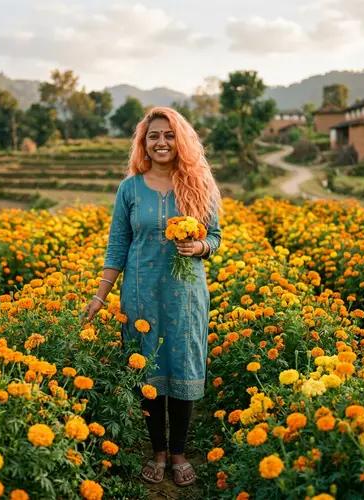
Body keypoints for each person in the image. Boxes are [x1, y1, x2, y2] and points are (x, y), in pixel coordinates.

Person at [84, 107, 222, 487]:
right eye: (153, 136)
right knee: (149, 373)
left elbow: (216, 238)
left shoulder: (200, 183)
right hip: (141, 294)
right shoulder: (129, 189)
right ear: (143, 143)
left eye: (169, 135)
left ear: (182, 140)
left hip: (186, 294)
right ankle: (157, 452)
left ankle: (178, 452)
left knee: (183, 368)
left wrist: (199, 248)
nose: (161, 142)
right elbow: (117, 246)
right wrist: (100, 296)